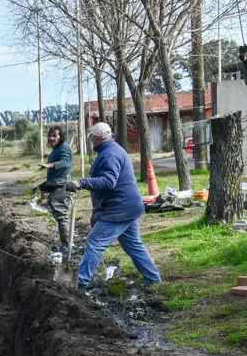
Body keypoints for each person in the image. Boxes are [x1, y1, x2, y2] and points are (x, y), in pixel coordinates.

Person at [75, 122, 161, 289]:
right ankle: (153, 278)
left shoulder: (110, 154)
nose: (91, 142)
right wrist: (96, 212)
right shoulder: (111, 150)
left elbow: (108, 181)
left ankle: (80, 282)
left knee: (94, 242)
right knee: (133, 245)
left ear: (96, 138)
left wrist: (81, 183)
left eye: (92, 139)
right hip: (127, 206)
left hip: (119, 209)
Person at [38, 126, 75, 246]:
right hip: (55, 183)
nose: (51, 138)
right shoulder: (57, 148)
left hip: (61, 185)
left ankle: (67, 246)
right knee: (60, 216)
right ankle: (67, 244)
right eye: (50, 135)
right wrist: (46, 188)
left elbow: (65, 162)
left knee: (61, 216)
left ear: (61, 136)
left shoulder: (63, 148)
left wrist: (51, 165)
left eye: (55, 136)